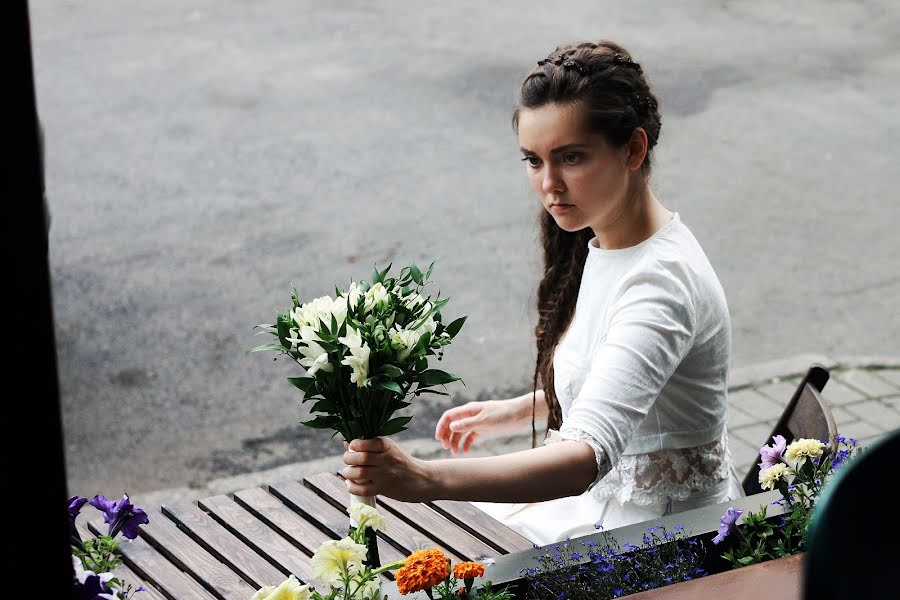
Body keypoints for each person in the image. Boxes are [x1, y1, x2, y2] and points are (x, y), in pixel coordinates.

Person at [342, 39, 743, 546]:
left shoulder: (660, 282)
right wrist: (525, 408)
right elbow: (630, 386)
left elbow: (582, 460)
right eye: (533, 160)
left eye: (571, 157)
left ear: (634, 149)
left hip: (655, 543)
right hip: (608, 518)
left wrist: (425, 479)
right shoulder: (612, 243)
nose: (550, 184)